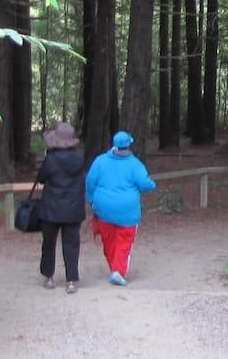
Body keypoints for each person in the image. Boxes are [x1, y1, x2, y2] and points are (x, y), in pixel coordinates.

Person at [84, 130, 156, 285]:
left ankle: (114, 268)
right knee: (124, 241)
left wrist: (91, 200)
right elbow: (145, 184)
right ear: (129, 144)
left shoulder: (100, 161)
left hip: (104, 209)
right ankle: (118, 271)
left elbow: (90, 181)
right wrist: (152, 184)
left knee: (109, 240)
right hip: (127, 211)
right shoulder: (135, 164)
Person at [36, 122, 86, 293]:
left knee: (49, 243)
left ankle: (49, 277)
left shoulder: (51, 160)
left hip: (51, 208)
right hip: (73, 209)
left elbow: (41, 179)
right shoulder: (79, 159)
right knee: (71, 244)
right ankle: (71, 281)